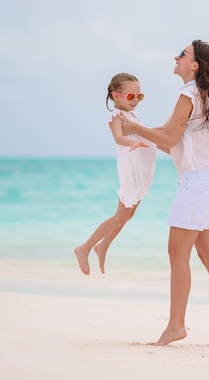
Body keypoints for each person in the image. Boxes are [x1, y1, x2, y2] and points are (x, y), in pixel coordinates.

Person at [120, 41, 209, 346]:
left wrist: (130, 125)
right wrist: (139, 130)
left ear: (195, 65)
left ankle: (176, 325)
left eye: (182, 55)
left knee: (178, 254)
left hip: (197, 184)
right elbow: (169, 142)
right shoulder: (206, 96)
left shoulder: (188, 93)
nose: (176, 58)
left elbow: (169, 136)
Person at [74, 73, 157, 275]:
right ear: (116, 96)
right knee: (120, 215)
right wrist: (134, 143)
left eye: (139, 96)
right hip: (131, 169)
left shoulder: (134, 117)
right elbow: (119, 138)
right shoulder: (116, 117)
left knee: (129, 214)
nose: (136, 100)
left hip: (142, 170)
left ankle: (103, 246)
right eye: (131, 96)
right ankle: (85, 248)